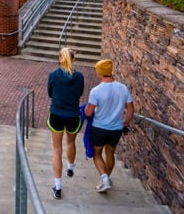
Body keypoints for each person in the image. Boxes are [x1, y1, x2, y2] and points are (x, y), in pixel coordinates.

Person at [84, 59, 134, 193]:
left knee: (97, 154)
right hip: (116, 129)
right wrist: (126, 122)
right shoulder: (123, 88)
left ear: (100, 72)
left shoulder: (96, 91)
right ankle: (106, 180)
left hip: (99, 128)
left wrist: (85, 110)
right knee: (110, 153)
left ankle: (105, 179)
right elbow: (130, 109)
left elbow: (88, 112)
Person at [47, 47, 85, 199]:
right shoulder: (80, 77)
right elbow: (81, 92)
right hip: (73, 115)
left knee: (57, 149)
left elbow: (50, 93)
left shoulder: (53, 75)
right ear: (73, 59)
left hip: (56, 113)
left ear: (60, 58)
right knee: (71, 142)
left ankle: (57, 187)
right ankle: (70, 167)